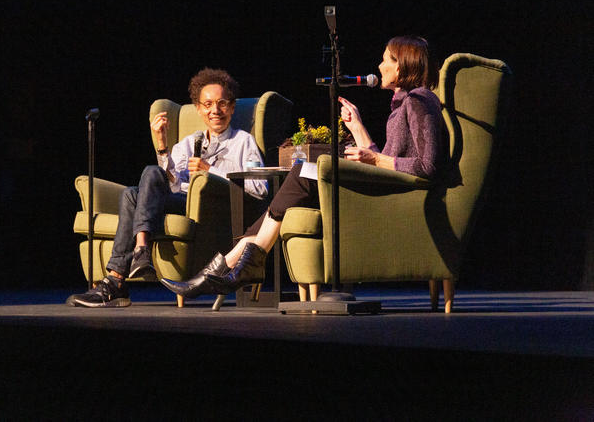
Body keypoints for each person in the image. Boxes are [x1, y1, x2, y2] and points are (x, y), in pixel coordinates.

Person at [162, 35, 444, 298]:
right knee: (299, 178)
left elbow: (427, 166)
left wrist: (375, 160)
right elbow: (389, 158)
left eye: (387, 60)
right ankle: (226, 266)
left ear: (404, 65)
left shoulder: (420, 100)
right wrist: (358, 129)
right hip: (384, 186)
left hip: (393, 197)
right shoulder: (404, 103)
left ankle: (229, 267)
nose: (380, 66)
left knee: (301, 173)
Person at [71, 68, 267, 307]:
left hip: (210, 209)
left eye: (222, 103)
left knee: (133, 194)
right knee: (136, 189)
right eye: (207, 104)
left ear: (232, 107)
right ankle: (125, 268)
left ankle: (118, 280)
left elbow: (260, 189)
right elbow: (170, 181)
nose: (215, 111)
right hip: (178, 200)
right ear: (198, 109)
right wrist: (162, 146)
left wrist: (210, 171)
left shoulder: (243, 141)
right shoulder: (190, 142)